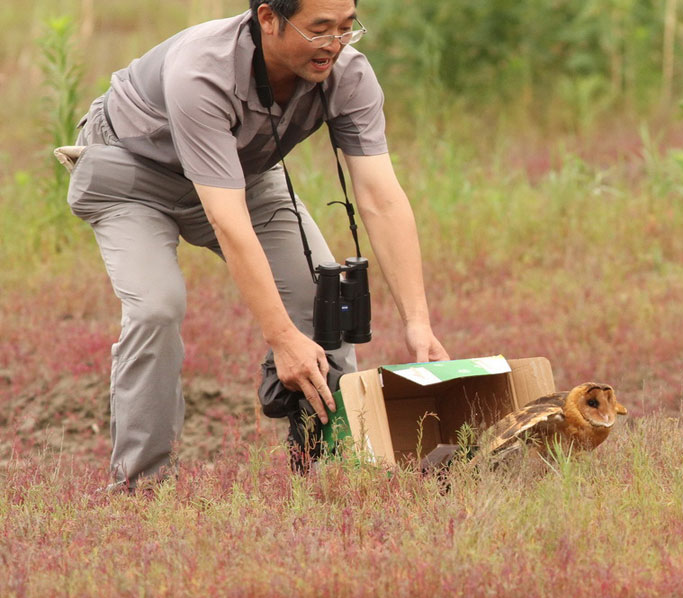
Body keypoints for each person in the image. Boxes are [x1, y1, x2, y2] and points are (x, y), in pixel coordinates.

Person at [66, 0, 449, 489]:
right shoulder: (202, 71)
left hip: (241, 172)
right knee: (157, 307)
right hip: (133, 171)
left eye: (347, 28)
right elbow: (227, 221)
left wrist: (418, 323)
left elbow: (380, 199)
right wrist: (282, 338)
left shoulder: (347, 72)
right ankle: (139, 486)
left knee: (321, 296)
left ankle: (329, 469)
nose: (334, 44)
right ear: (268, 19)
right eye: (319, 29)